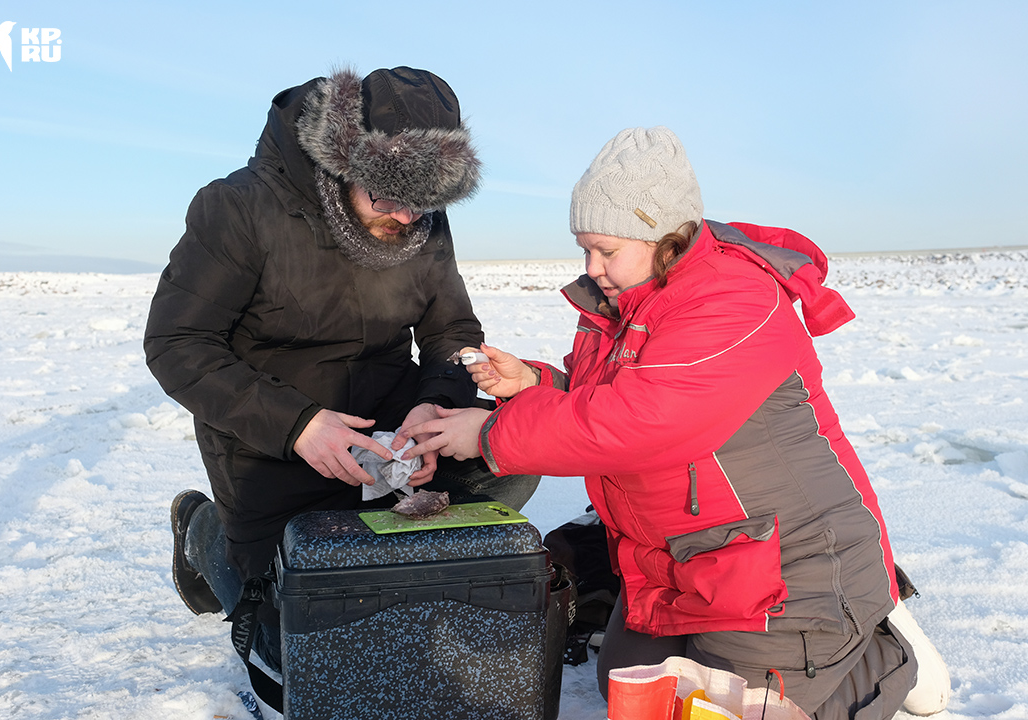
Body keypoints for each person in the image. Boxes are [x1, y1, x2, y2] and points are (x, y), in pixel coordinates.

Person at [398, 127, 950, 719]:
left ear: (663, 235)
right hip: (684, 556)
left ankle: (880, 646)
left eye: (607, 250)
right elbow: (607, 393)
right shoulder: (622, 300)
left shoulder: (733, 299)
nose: (592, 267)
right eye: (584, 248)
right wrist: (534, 384)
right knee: (628, 690)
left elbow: (641, 421)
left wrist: (486, 436)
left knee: (718, 712)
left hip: (788, 564)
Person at [143, 66, 539, 674]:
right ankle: (203, 531)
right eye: (389, 196)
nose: (407, 217)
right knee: (310, 652)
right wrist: (298, 425)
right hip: (272, 444)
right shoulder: (240, 207)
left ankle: (409, 561)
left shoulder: (420, 220)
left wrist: (431, 406)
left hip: (392, 433)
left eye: (425, 202)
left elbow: (450, 331)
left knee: (506, 459)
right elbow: (178, 343)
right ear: (345, 164)